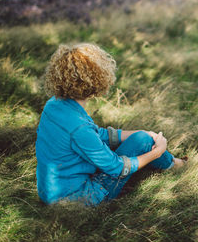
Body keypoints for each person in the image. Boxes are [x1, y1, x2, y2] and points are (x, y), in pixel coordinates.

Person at [35, 43, 185, 206]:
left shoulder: (54, 105)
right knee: (142, 141)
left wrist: (142, 131)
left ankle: (171, 162)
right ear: (96, 80)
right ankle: (177, 165)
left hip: (49, 193)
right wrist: (157, 152)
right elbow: (117, 168)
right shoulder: (79, 128)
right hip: (79, 200)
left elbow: (97, 135)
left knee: (142, 136)